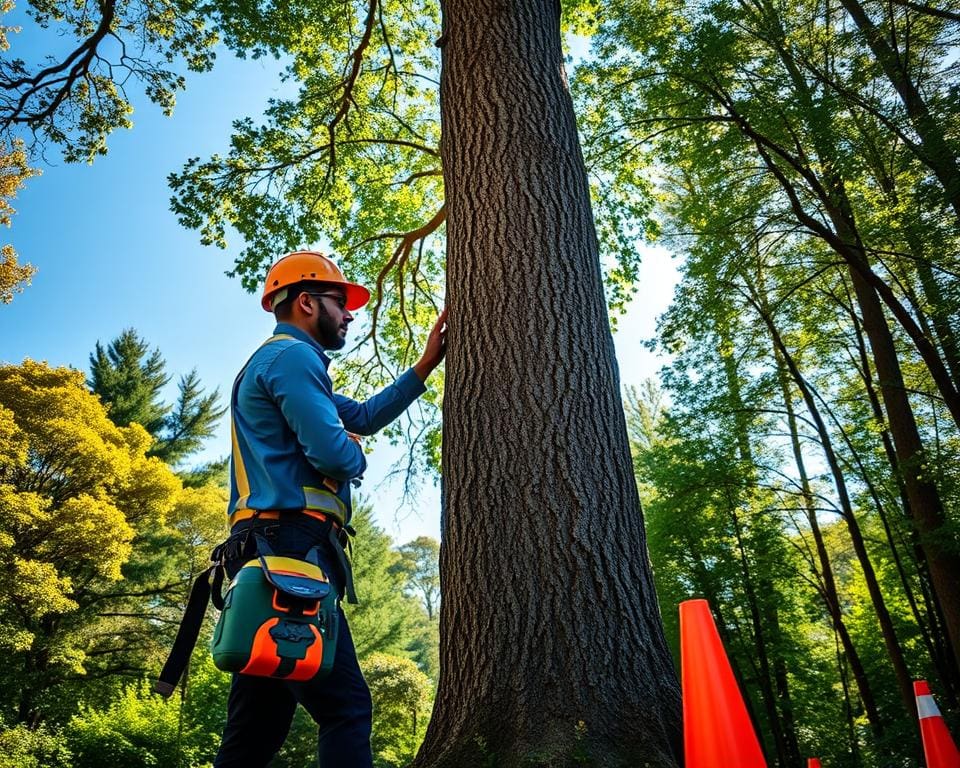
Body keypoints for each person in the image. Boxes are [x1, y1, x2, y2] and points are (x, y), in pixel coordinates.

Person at [213, 250, 446, 768]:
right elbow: (334, 451)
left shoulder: (287, 364)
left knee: (257, 728)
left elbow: (360, 415)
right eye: (340, 303)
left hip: (273, 551)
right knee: (345, 708)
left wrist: (424, 367)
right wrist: (354, 454)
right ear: (304, 302)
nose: (349, 314)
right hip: (289, 554)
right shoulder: (293, 360)